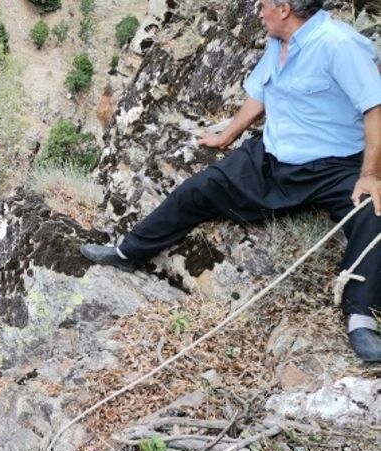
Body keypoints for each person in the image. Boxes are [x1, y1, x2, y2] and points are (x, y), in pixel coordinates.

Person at [80, 0, 381, 362]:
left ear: (284, 9)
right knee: (201, 188)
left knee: (373, 214)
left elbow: (375, 108)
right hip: (272, 157)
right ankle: (129, 252)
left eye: (263, 4)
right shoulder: (278, 42)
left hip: (334, 165)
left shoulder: (339, 44)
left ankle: (360, 315)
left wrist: (370, 175)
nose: (257, 10)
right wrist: (227, 135)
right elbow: (261, 94)